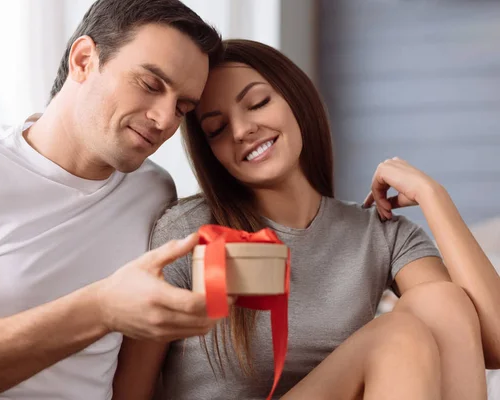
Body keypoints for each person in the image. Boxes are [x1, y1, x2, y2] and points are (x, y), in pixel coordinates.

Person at [113, 39, 500, 400]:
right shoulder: (187, 233)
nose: (243, 130)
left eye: (258, 103)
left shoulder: (378, 233)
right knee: (395, 335)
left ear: (295, 98)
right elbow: (131, 392)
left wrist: (435, 199)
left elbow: (493, 345)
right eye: (217, 129)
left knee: (441, 298)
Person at [0, 1, 223, 399]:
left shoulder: (153, 191)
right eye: (151, 85)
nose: (164, 120)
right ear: (84, 60)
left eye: (182, 107)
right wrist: (101, 308)